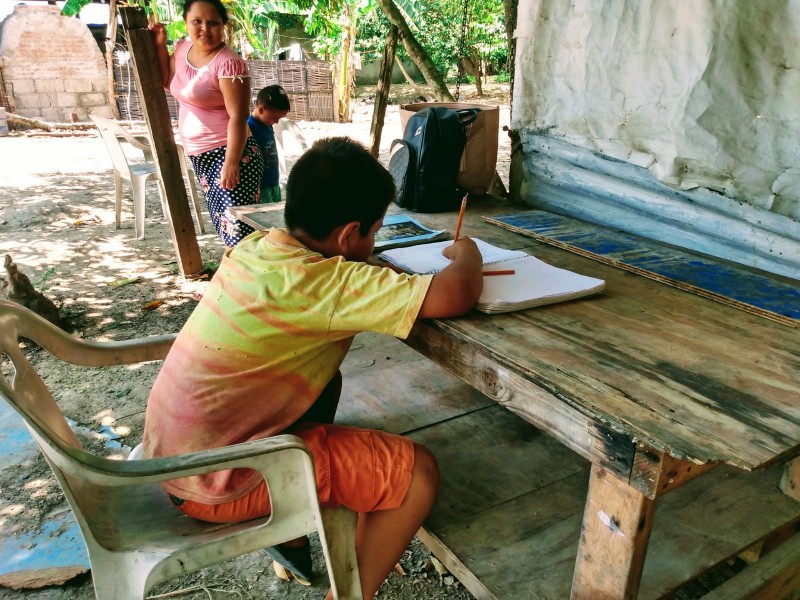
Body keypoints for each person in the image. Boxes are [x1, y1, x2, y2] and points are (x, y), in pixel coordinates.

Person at [141, 137, 484, 599]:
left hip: (171, 457)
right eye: (374, 233)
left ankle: (300, 527)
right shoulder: (328, 282)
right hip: (221, 480)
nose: (374, 244)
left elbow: (329, 285)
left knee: (326, 379)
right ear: (348, 236)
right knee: (416, 474)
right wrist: (468, 252)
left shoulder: (256, 249)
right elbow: (457, 294)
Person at [150, 0, 264, 247]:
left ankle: (246, 282)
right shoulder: (182, 49)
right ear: (186, 24)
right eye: (197, 22)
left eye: (213, 22)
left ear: (223, 25)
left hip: (230, 155)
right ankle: (242, 281)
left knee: (239, 233)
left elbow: (238, 117)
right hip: (201, 155)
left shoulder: (228, 63)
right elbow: (168, 81)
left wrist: (231, 162)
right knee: (226, 228)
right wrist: (160, 43)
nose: (205, 29)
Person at [248, 85, 290, 204]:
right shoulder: (249, 127)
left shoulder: (267, 125)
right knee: (266, 218)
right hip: (261, 186)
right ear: (261, 110)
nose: (276, 122)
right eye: (275, 118)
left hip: (273, 182)